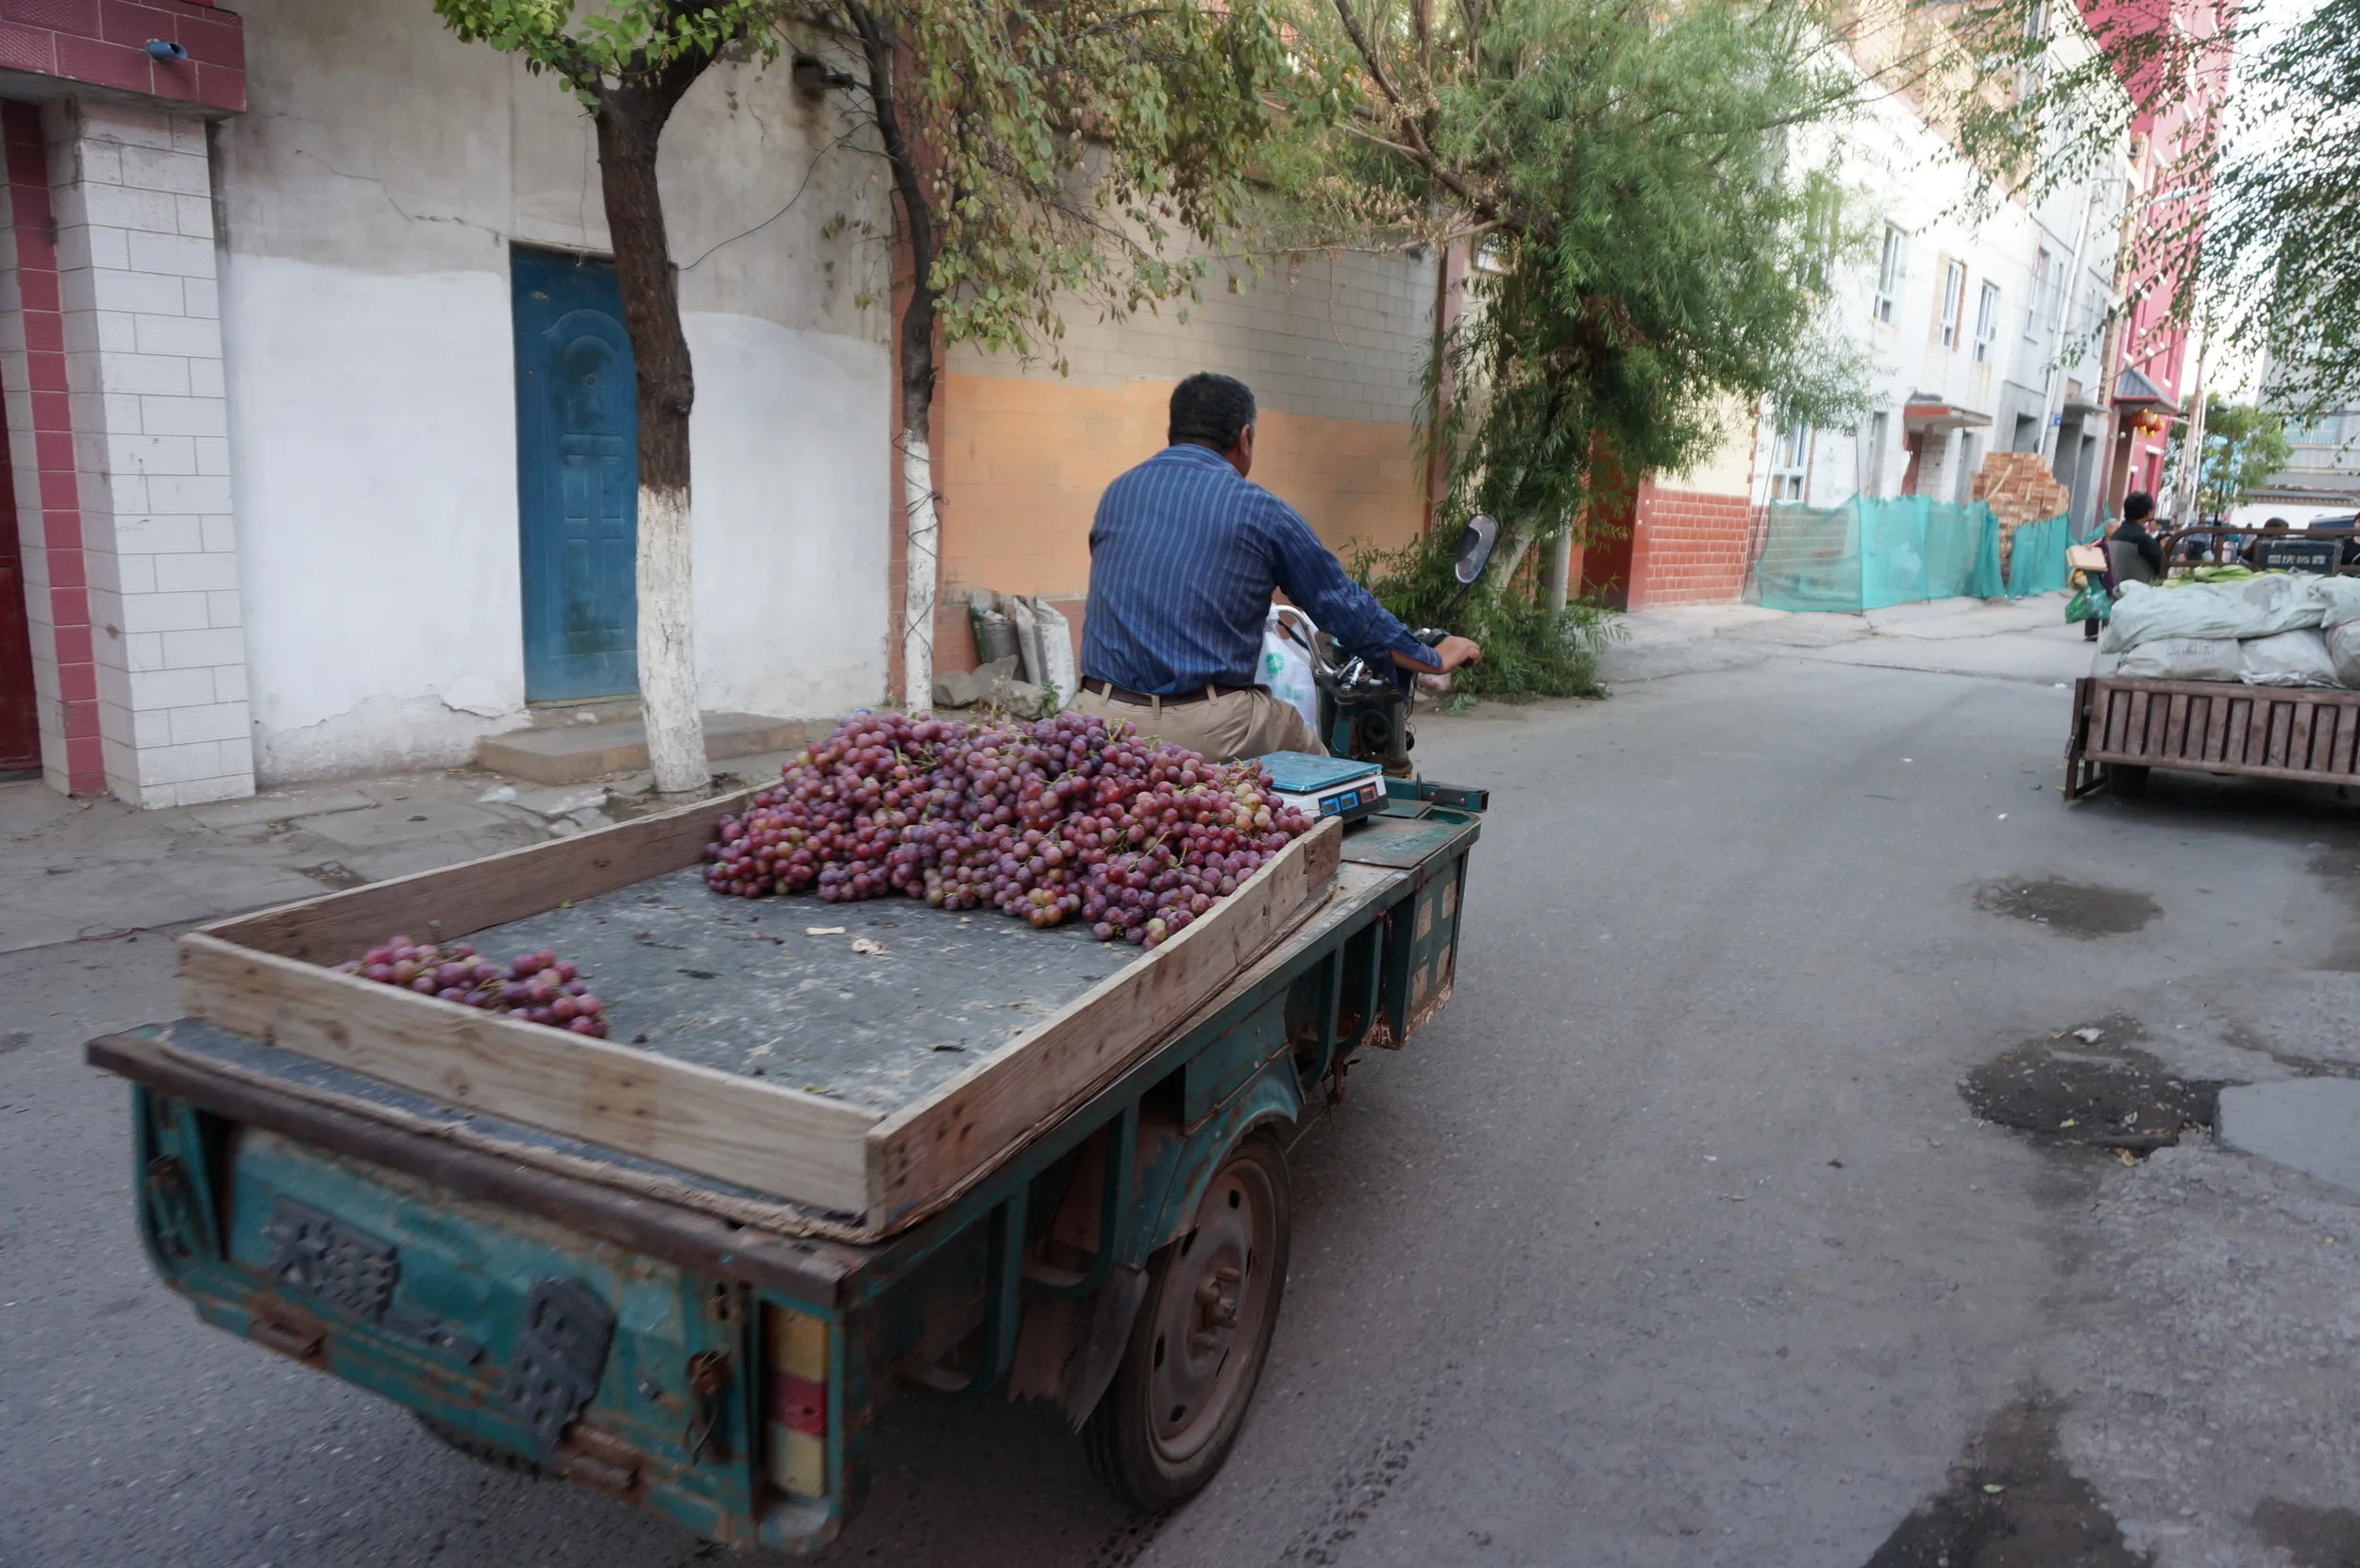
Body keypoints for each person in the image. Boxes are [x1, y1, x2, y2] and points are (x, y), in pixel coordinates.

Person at [1074, 373, 1481, 761]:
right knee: (1325, 772)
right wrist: (1430, 656)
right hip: (1208, 726)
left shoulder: (1118, 493)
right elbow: (1344, 607)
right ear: (1244, 438)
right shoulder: (1258, 510)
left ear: (1172, 433)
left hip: (1093, 719)